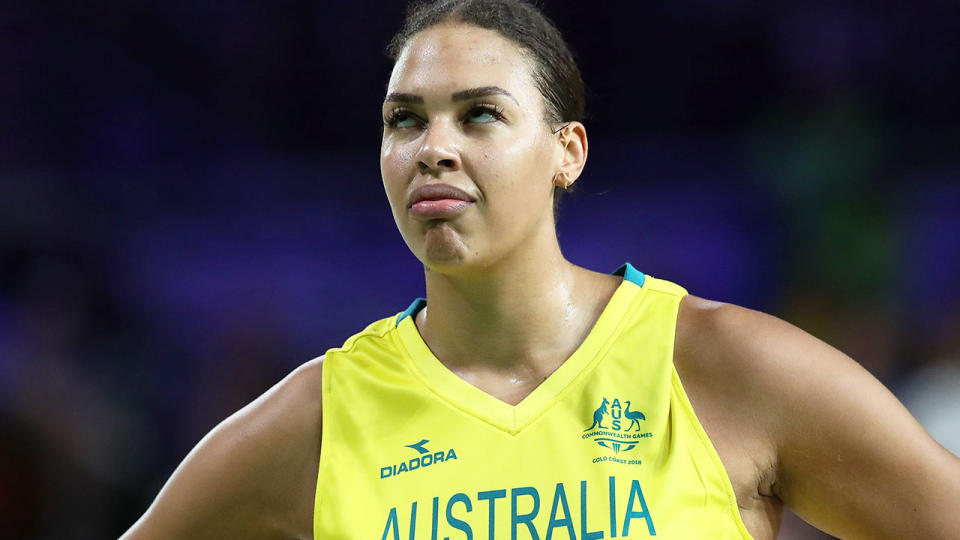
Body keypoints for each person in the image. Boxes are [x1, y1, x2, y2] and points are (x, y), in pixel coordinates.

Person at [121, 0, 960, 538]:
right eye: (403, 120)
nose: (433, 149)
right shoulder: (315, 418)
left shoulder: (724, 368)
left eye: (480, 113)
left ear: (567, 152)